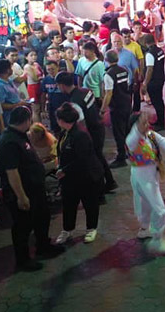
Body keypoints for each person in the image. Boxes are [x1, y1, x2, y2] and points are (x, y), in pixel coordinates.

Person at [0, 106, 64, 271]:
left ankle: (43, 245)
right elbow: (11, 172)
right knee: (23, 226)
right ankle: (23, 260)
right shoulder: (9, 142)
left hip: (35, 188)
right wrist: (21, 196)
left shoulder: (20, 136)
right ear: (26, 121)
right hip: (23, 191)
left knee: (42, 217)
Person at [56, 72, 117, 193]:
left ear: (62, 85)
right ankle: (110, 182)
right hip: (99, 127)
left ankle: (101, 190)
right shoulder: (85, 91)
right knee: (99, 156)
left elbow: (81, 124)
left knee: (94, 161)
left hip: (91, 131)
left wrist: (84, 140)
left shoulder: (74, 102)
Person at [127, 112, 165, 254]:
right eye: (143, 123)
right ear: (135, 127)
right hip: (142, 177)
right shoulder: (131, 140)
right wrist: (137, 127)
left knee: (145, 204)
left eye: (146, 122)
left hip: (151, 175)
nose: (147, 125)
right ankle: (157, 238)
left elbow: (163, 141)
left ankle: (144, 229)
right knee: (160, 210)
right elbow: (133, 136)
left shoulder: (150, 135)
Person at [53, 103, 103, 245]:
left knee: (90, 203)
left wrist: (63, 170)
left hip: (87, 177)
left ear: (62, 120)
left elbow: (82, 160)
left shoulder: (80, 135)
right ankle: (67, 229)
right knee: (69, 204)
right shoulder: (65, 132)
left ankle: (91, 229)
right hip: (70, 178)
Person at [100, 50, 132, 168]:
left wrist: (103, 109)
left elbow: (109, 93)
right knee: (126, 129)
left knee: (118, 132)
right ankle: (129, 152)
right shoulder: (124, 70)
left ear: (106, 60)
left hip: (117, 107)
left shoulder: (109, 74)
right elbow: (127, 86)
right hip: (127, 104)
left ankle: (121, 157)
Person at [141, 34, 165, 131]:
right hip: (160, 78)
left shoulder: (150, 54)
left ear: (145, 42)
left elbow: (149, 70)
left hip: (154, 81)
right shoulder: (160, 50)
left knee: (157, 102)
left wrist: (145, 83)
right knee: (160, 101)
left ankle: (161, 123)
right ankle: (160, 121)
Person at [0, 59, 28, 125]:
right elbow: (0, 105)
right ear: (8, 70)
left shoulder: (9, 80)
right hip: (10, 117)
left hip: (18, 114)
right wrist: (17, 105)